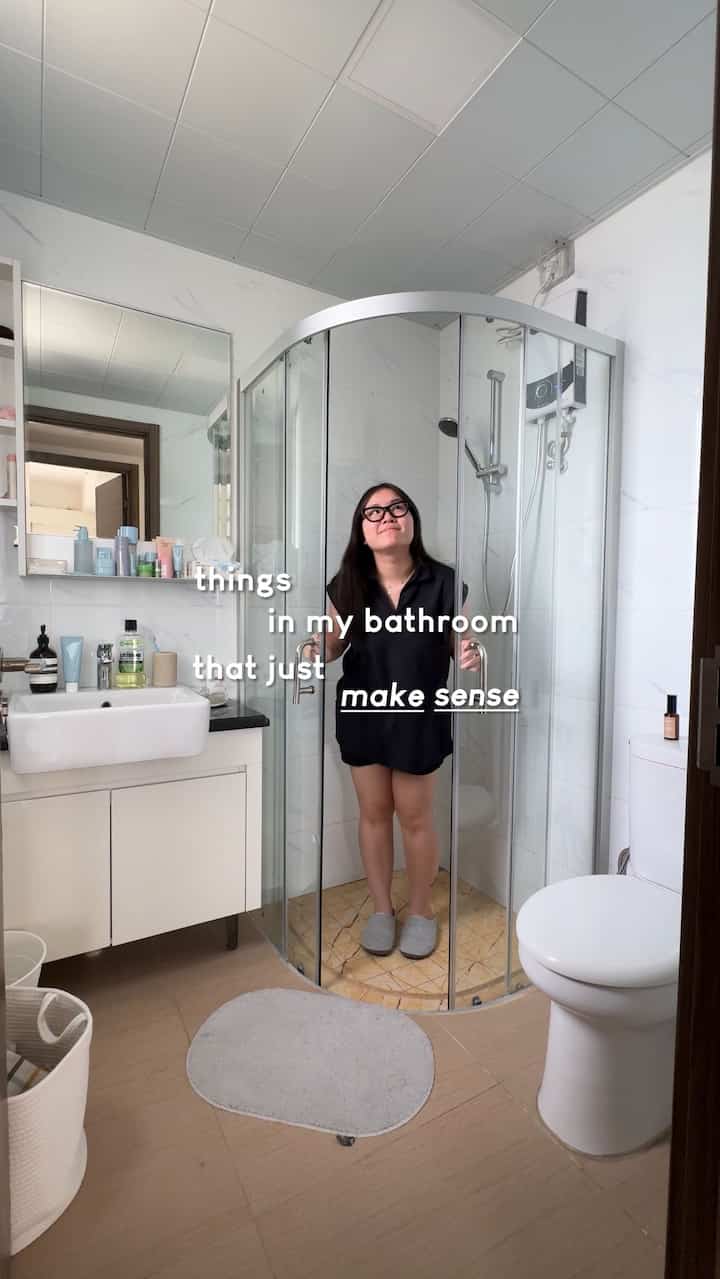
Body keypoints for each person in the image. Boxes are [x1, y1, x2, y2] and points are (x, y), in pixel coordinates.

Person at [310, 482, 481, 961]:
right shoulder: (348, 581)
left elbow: (460, 641)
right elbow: (332, 644)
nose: (386, 516)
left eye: (397, 507)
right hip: (363, 713)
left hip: (418, 717)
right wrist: (312, 649)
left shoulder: (445, 582)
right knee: (373, 814)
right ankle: (383, 910)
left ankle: (422, 912)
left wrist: (469, 650)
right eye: (374, 512)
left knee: (416, 817)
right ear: (362, 532)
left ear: (412, 521)